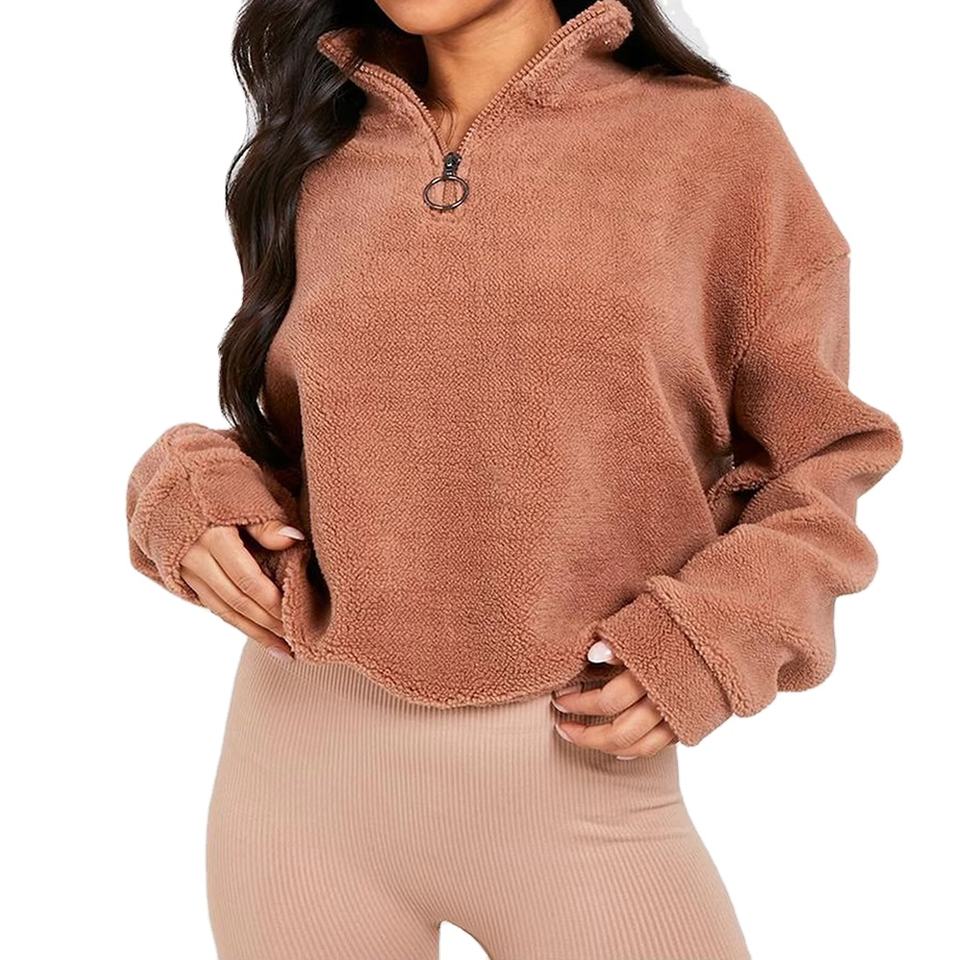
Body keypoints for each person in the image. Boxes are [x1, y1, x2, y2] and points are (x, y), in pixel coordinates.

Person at [125, 1, 903, 957]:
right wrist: (187, 487)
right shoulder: (319, 151)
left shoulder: (714, 145)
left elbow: (824, 455)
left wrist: (719, 633)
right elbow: (307, 449)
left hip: (582, 778)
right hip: (298, 782)